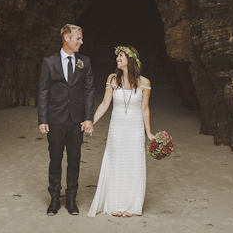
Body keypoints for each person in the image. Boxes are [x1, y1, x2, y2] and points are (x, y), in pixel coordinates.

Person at [87, 46, 155, 218]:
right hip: (117, 127)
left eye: (121, 56)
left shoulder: (145, 82)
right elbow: (104, 104)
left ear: (131, 59)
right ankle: (116, 204)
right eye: (117, 56)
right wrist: (91, 122)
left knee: (133, 164)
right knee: (116, 163)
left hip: (135, 128)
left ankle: (131, 205)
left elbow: (145, 109)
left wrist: (149, 132)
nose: (117, 59)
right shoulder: (112, 79)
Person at [38, 24, 95, 216]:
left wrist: (88, 118)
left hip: (76, 119)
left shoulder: (85, 62)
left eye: (81, 38)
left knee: (74, 159)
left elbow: (89, 91)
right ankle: (54, 198)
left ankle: (71, 199)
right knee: (55, 159)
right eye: (78, 38)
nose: (81, 42)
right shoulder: (49, 62)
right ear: (67, 38)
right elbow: (43, 91)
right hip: (55, 118)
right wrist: (43, 118)